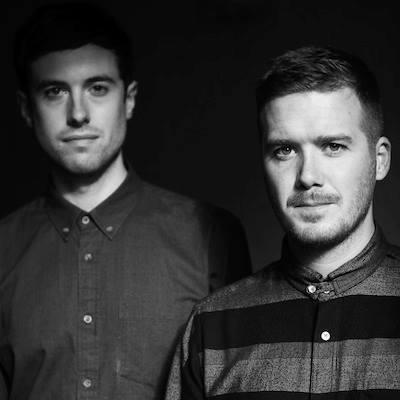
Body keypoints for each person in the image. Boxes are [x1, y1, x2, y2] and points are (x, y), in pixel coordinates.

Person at [0, 3, 252, 399]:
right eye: (54, 92)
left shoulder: (209, 235)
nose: (78, 114)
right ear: (26, 109)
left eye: (97, 88)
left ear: (129, 99)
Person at [165, 46, 400, 399]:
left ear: (379, 160)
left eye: (333, 146)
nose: (308, 176)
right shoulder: (210, 328)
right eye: (285, 150)